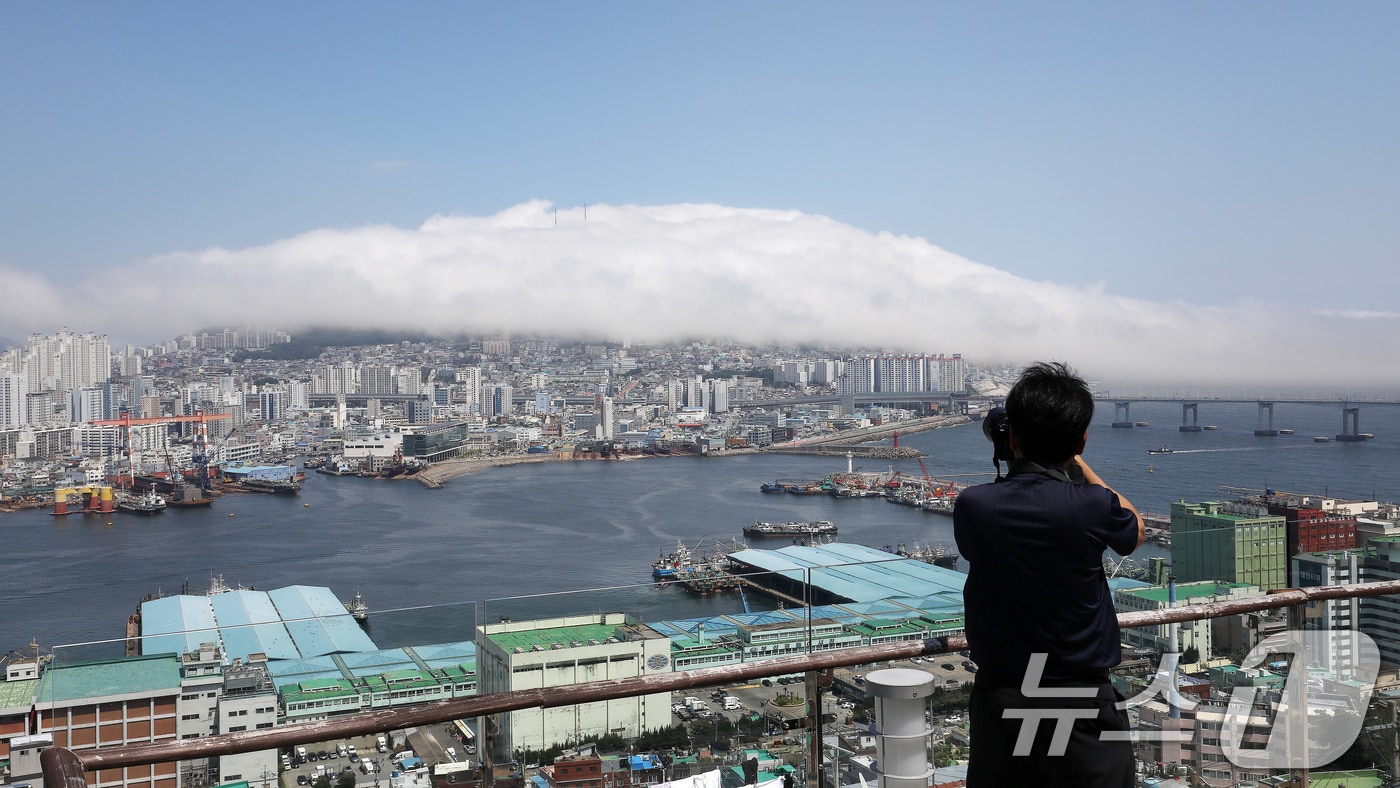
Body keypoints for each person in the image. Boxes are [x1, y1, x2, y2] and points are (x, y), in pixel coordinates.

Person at [953, 361, 1145, 786]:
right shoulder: (1093, 505)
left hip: (1003, 698)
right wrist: (1078, 463)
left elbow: (975, 552)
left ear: (1012, 437)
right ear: (1081, 440)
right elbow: (1135, 531)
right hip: (1080, 699)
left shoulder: (974, 505)